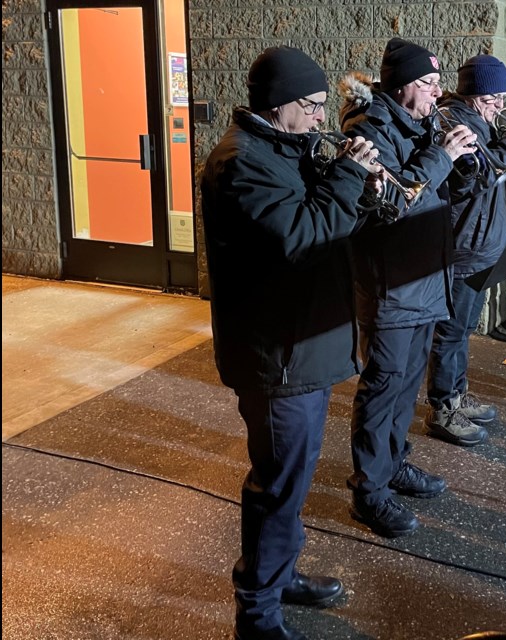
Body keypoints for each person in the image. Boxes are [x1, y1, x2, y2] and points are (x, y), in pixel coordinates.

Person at [199, 46, 384, 640]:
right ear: (280, 105)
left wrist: (360, 186)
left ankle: (278, 574)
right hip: (276, 355)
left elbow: (324, 223)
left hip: (301, 344)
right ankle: (257, 613)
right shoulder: (242, 163)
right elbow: (302, 235)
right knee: (277, 484)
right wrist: (351, 175)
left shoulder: (283, 148)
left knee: (294, 478)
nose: (320, 120)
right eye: (313, 107)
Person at [337, 38, 479, 538]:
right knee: (383, 385)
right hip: (391, 283)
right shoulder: (370, 128)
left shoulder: (421, 125)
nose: (440, 93)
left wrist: (462, 167)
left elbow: (437, 191)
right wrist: (440, 156)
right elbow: (394, 202)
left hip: (424, 276)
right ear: (401, 88)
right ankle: (368, 491)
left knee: (406, 384)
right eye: (430, 84)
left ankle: (393, 462)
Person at [423, 54, 506, 446]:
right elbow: (470, 179)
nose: (501, 107)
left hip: (484, 244)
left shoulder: (483, 121)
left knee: (464, 330)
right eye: (494, 98)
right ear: (473, 94)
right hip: (463, 245)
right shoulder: (454, 122)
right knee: (450, 333)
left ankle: (456, 393)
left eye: (504, 98)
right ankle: (442, 407)